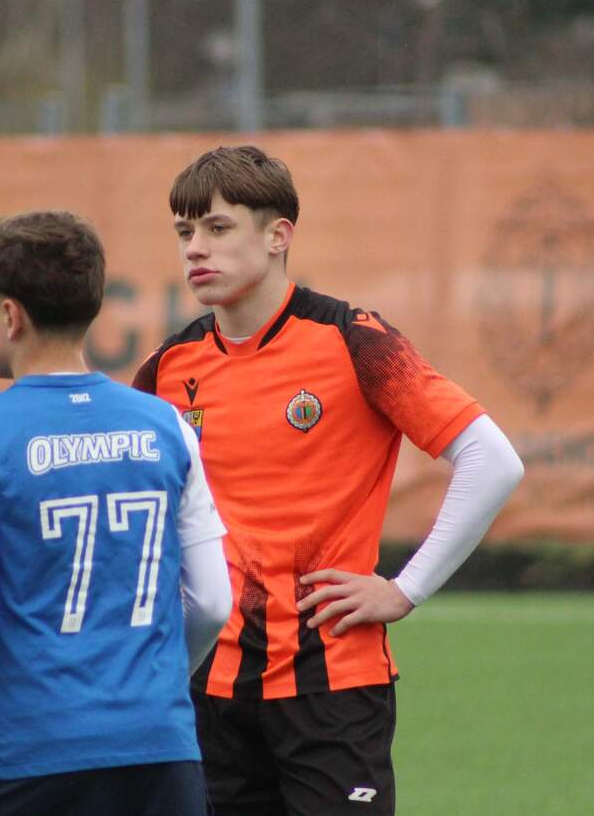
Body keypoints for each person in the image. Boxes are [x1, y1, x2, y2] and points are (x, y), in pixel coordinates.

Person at [132, 145, 525, 816]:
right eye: (184, 231)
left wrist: (405, 588)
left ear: (278, 235)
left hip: (333, 684)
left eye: (218, 228)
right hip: (207, 687)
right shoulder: (170, 365)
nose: (195, 248)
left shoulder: (353, 340)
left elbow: (492, 460)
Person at [0, 211, 232, 816]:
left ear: (10, 316)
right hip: (164, 753)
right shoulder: (167, 426)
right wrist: (154, 688)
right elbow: (212, 602)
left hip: (40, 758)